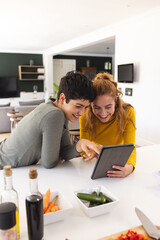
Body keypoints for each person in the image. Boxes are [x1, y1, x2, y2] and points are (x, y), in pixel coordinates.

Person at [0, 71, 101, 169]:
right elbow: (49, 163)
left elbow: (65, 152)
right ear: (62, 98)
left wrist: (80, 143)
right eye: (78, 106)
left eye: (86, 108)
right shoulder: (55, 114)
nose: (82, 113)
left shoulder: (57, 110)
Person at [80, 72, 136, 178]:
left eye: (108, 106)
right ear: (90, 104)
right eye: (97, 107)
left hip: (119, 159)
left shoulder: (128, 112)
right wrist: (90, 152)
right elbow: (84, 145)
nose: (103, 113)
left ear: (115, 99)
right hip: (94, 163)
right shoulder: (85, 114)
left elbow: (130, 147)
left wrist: (130, 167)